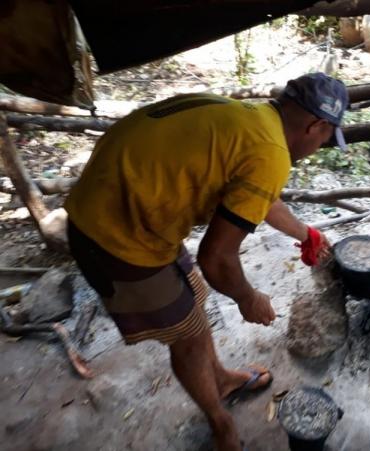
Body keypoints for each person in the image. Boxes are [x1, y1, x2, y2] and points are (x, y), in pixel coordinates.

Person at [64, 73, 349, 450]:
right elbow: (216, 259)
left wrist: (305, 234)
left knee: (194, 297)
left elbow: (260, 197)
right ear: (317, 125)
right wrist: (248, 298)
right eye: (327, 139)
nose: (322, 145)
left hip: (127, 206)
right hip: (114, 235)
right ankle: (220, 423)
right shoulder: (270, 153)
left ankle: (222, 379)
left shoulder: (253, 119)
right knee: (189, 337)